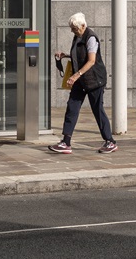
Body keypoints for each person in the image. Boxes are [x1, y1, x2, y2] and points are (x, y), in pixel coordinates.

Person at [49, 12, 116, 155]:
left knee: (97, 109)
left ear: (83, 25)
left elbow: (91, 61)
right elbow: (79, 55)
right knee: (72, 107)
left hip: (94, 79)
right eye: (71, 28)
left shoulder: (91, 37)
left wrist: (75, 75)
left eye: (74, 28)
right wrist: (65, 55)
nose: (72, 30)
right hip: (81, 80)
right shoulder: (77, 36)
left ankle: (110, 141)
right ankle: (66, 142)